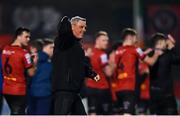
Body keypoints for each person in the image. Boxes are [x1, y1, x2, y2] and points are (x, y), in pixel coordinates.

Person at [51, 16, 100, 115]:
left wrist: (91, 73)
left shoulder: (77, 45)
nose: (84, 30)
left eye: (85, 27)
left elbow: (79, 64)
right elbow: (63, 32)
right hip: (64, 90)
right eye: (81, 27)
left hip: (74, 91)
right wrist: (65, 20)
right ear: (71, 27)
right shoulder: (63, 41)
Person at [114, 28, 160, 115]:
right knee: (128, 113)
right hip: (130, 87)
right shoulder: (135, 49)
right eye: (135, 37)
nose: (136, 39)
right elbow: (151, 62)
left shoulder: (117, 51)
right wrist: (157, 53)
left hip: (118, 88)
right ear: (130, 37)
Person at [1, 27, 36, 114]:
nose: (28, 39)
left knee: (14, 111)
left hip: (6, 89)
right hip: (19, 90)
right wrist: (34, 62)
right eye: (26, 37)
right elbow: (31, 73)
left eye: (29, 37)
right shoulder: (24, 53)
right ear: (18, 36)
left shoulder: (5, 49)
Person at [149, 33, 180, 115]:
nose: (166, 43)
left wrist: (172, 47)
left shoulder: (167, 55)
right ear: (159, 43)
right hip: (163, 95)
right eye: (164, 41)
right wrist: (172, 48)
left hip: (159, 94)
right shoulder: (151, 54)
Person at [86, 31, 112, 115]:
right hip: (102, 88)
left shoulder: (88, 53)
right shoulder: (103, 55)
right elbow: (108, 73)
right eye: (104, 40)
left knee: (92, 113)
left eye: (107, 40)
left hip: (90, 88)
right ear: (97, 40)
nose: (106, 43)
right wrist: (113, 63)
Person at [28, 39, 54, 115]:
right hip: (45, 94)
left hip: (31, 93)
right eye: (51, 47)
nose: (53, 50)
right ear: (44, 47)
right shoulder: (48, 63)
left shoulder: (32, 59)